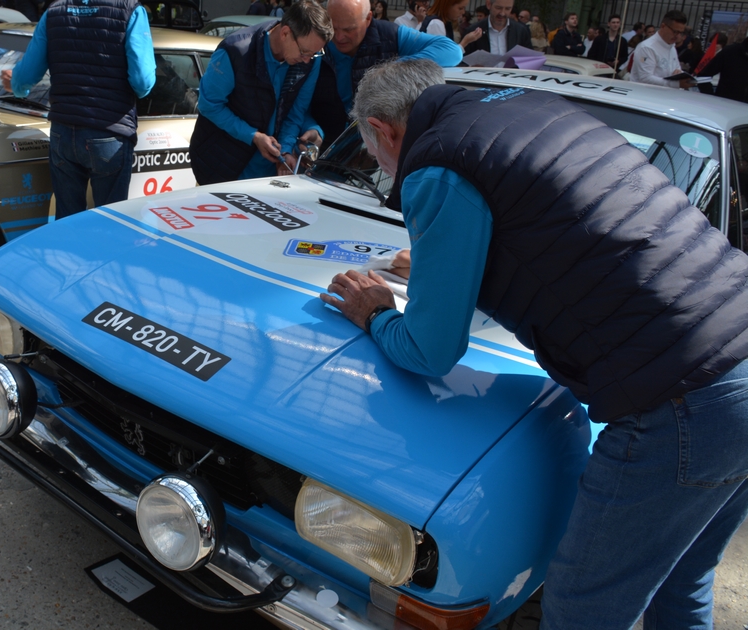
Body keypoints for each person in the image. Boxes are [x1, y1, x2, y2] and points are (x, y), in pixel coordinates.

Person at [323, 57, 748, 630]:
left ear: (383, 130)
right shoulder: (529, 108)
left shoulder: (438, 160)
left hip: (682, 395)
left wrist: (375, 314)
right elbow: (561, 227)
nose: (379, 166)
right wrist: (439, 263)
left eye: (374, 155)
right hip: (735, 346)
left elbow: (429, 350)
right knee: (680, 580)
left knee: (582, 606)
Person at [2, 0, 155, 219]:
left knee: (67, 221)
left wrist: (16, 86)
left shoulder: (54, 12)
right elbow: (143, 81)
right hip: (109, 131)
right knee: (111, 222)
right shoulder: (131, 10)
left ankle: (70, 253)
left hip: (63, 131)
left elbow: (26, 76)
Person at [189, 0, 332, 185]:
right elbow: (209, 105)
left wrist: (286, 150)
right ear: (285, 33)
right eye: (304, 52)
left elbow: (297, 111)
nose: (307, 61)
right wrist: (253, 136)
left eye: (314, 53)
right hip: (222, 166)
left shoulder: (311, 59)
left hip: (269, 174)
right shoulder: (235, 51)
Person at [310, 0, 461, 143]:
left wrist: (391, 70)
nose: (339, 36)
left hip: (376, 150)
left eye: (349, 29)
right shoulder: (317, 39)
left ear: (368, 19)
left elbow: (452, 51)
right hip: (325, 148)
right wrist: (311, 128)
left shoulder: (389, 35)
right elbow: (298, 99)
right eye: (333, 27)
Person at [630, 10, 694, 89]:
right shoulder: (646, 48)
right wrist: (676, 84)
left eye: (680, 33)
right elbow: (645, 78)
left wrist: (678, 73)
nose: (677, 36)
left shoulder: (671, 47)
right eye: (675, 32)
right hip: (646, 97)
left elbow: (676, 68)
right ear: (663, 26)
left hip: (664, 96)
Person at [462, 0, 530, 55]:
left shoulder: (521, 31)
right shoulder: (472, 30)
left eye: (507, 9)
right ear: (489, 4)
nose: (502, 13)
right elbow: (462, 61)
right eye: (498, 8)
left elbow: (529, 59)